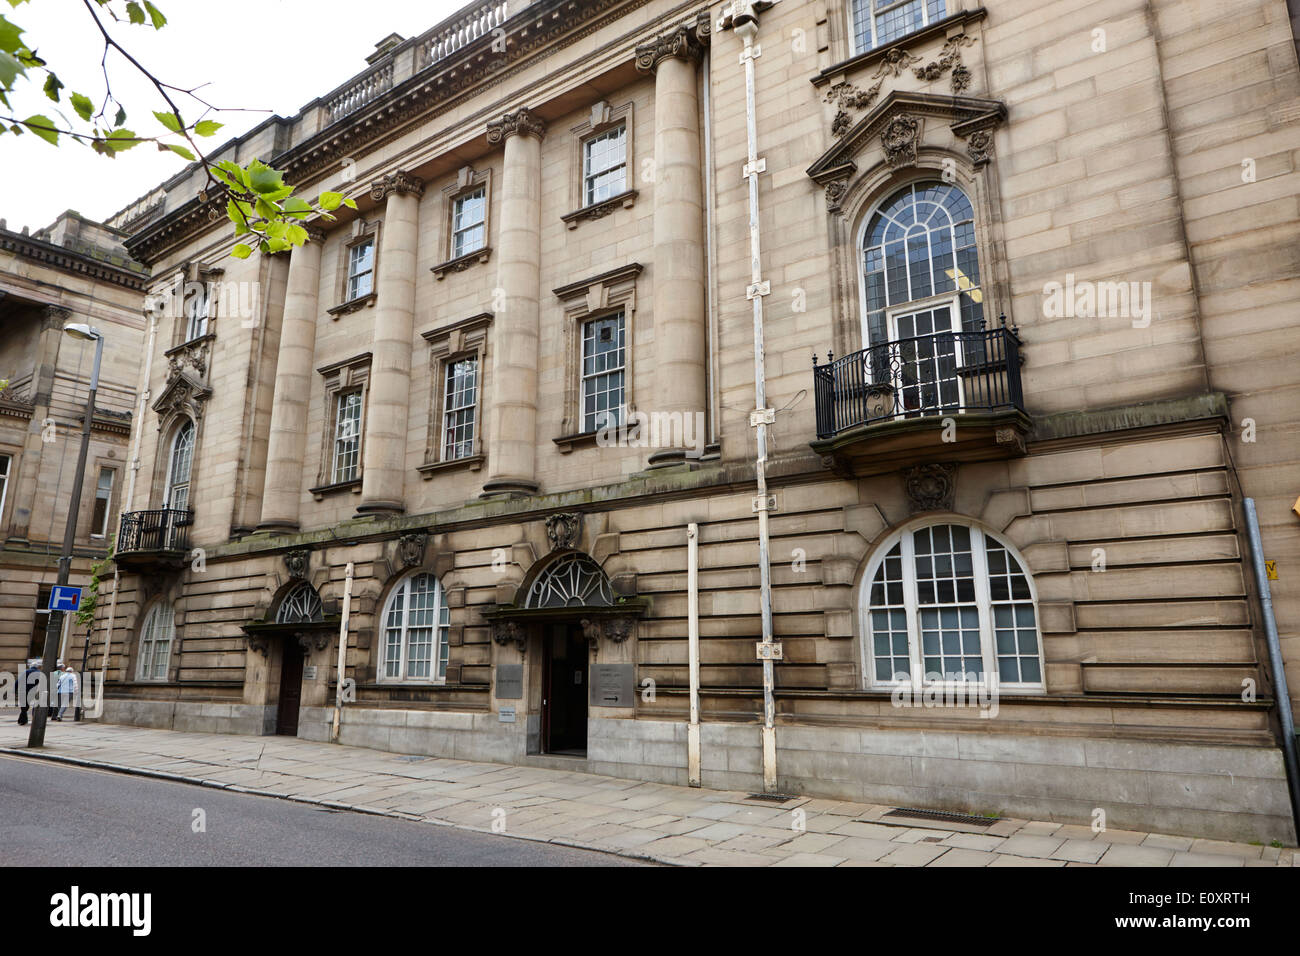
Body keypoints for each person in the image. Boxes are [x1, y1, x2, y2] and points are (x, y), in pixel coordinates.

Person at [16, 659, 40, 725]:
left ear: (30, 666)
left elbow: (18, 681)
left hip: (23, 690)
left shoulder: (25, 672)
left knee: (24, 705)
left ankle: (22, 720)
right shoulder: (39, 672)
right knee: (26, 706)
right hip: (33, 691)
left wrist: (15, 689)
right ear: (37, 667)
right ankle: (23, 719)